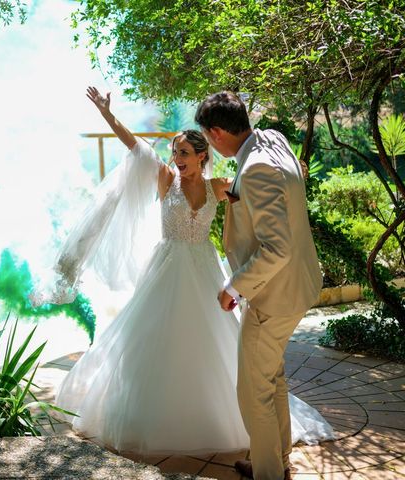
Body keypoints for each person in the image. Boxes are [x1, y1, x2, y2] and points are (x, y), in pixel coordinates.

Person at [41, 86, 333, 462]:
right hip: (166, 271)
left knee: (227, 356)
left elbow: (263, 191)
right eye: (173, 151)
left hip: (204, 270)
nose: (175, 157)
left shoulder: (218, 186)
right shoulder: (166, 180)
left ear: (202, 154)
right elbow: (137, 149)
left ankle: (264, 455)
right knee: (159, 342)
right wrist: (108, 115)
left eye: (182, 152)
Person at [197, 92, 324, 480]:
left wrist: (234, 287)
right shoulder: (272, 139)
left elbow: (277, 248)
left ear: (217, 133)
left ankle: (269, 473)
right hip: (298, 284)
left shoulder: (255, 168)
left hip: (274, 294)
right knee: (271, 378)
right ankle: (275, 458)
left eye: (207, 135)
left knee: (254, 391)